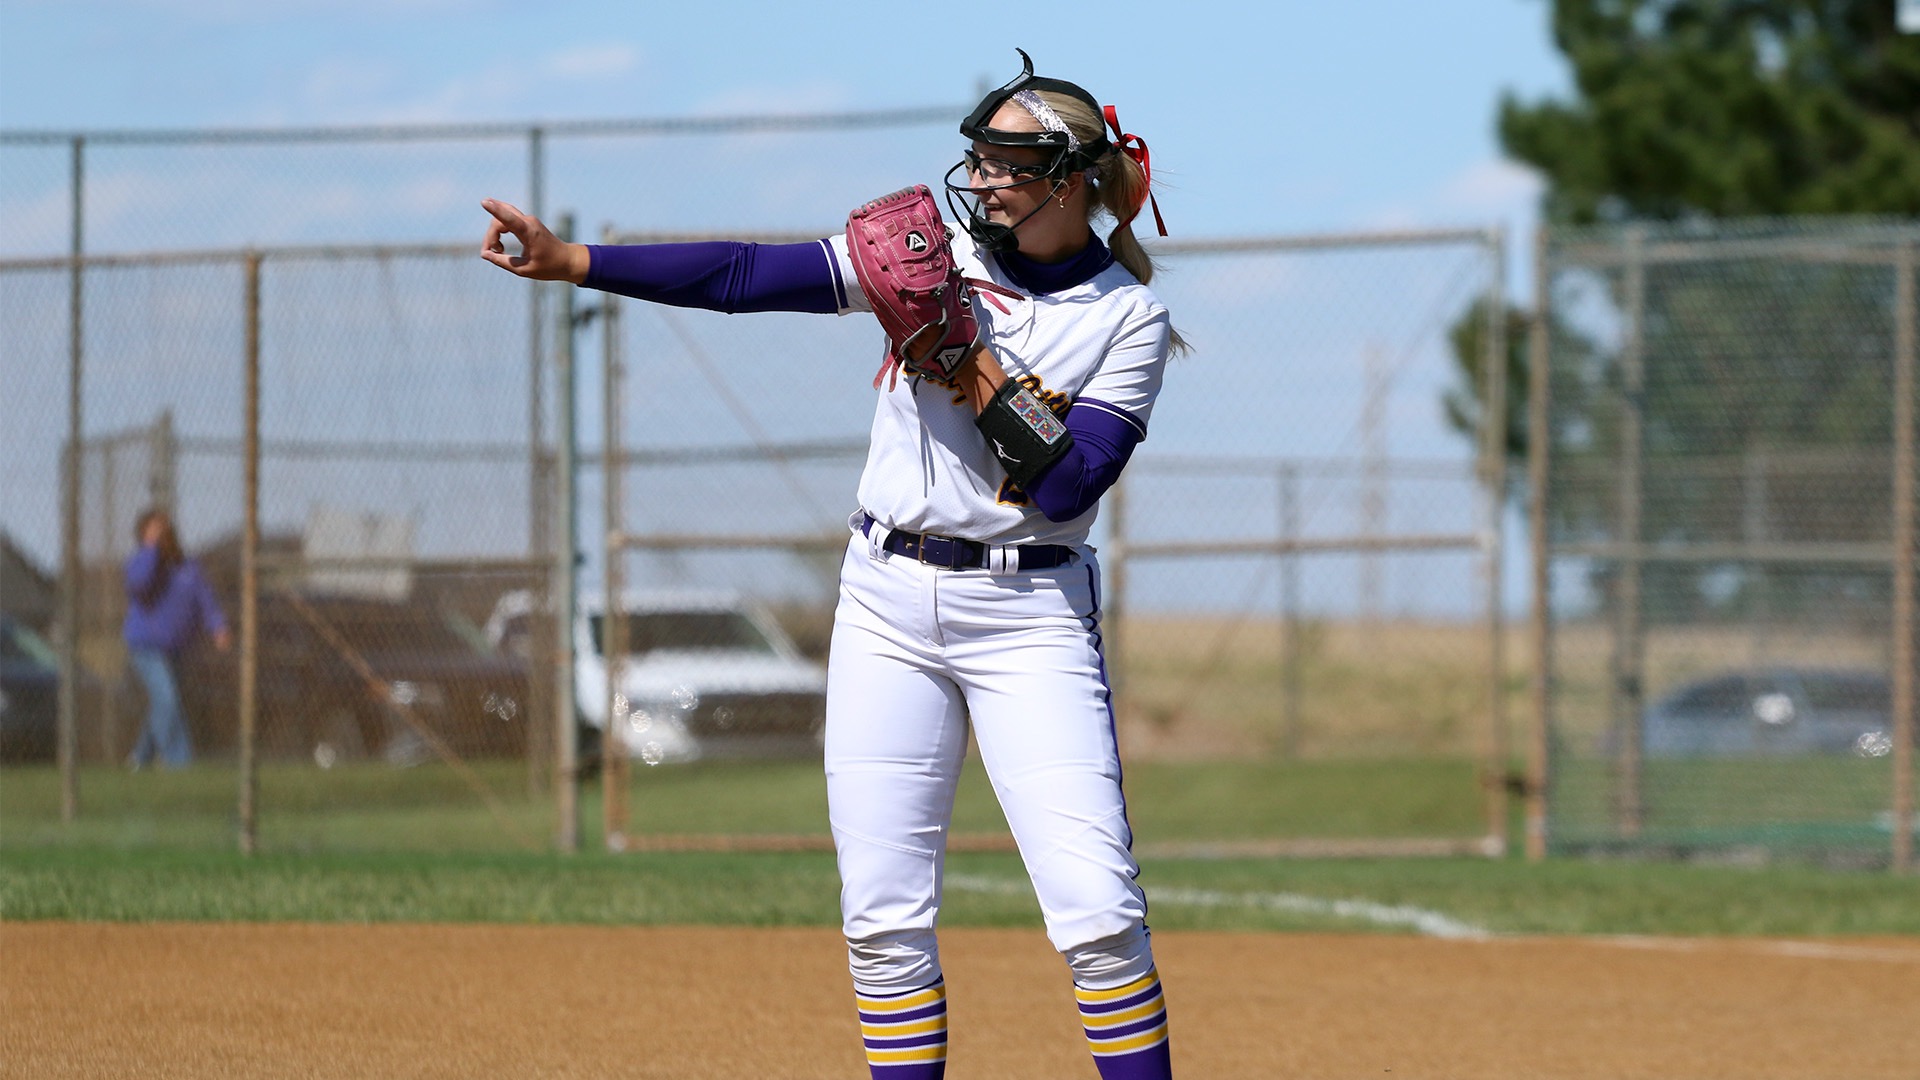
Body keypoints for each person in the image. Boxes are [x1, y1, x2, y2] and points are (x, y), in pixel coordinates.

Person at [481, 51, 1180, 1080]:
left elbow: (1072, 483)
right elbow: (745, 275)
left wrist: (973, 362)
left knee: (1098, 913)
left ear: (1072, 179)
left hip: (1026, 612)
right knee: (882, 919)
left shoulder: (1128, 315)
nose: (980, 179)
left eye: (1007, 163)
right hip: (887, 600)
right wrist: (576, 262)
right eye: (978, 157)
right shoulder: (934, 253)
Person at [123, 508, 230, 769]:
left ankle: (140, 758)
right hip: (145, 647)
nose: (162, 535)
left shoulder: (188, 568)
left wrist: (218, 626)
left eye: (165, 530)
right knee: (167, 699)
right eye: (154, 530)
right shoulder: (139, 563)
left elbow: (205, 600)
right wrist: (151, 550)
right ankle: (179, 763)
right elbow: (139, 585)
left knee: (163, 704)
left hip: (176, 648)